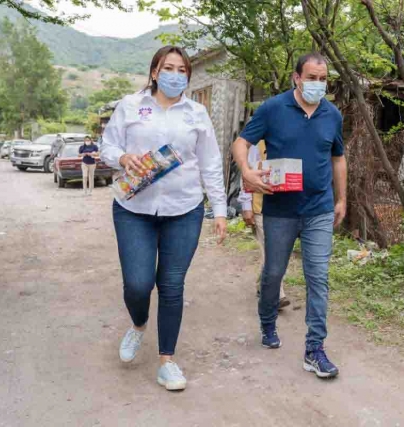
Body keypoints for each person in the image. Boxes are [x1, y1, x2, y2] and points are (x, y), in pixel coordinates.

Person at [101, 45, 228, 391]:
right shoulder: (130, 106)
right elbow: (107, 147)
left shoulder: (197, 113)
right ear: (155, 72)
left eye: (182, 70)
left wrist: (219, 210)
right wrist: (124, 157)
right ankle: (139, 324)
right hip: (134, 209)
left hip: (184, 209)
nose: (175, 75)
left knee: (172, 285)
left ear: (188, 76)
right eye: (168, 68)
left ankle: (166, 362)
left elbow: (210, 164)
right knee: (138, 284)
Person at [232, 52, 347, 379]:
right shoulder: (273, 108)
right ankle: (267, 322)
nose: (317, 84)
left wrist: (342, 199)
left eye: (323, 79)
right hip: (279, 211)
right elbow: (240, 143)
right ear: (296, 78)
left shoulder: (332, 115)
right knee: (273, 273)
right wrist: (247, 171)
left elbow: (338, 158)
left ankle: (315, 349)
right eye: (311, 78)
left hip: (319, 211)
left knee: (318, 277)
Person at [237, 141, 290, 310]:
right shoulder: (256, 145)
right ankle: (277, 294)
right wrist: (246, 206)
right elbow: (246, 173)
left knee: (279, 251)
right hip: (261, 207)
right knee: (270, 252)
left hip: (285, 207)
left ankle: (263, 286)